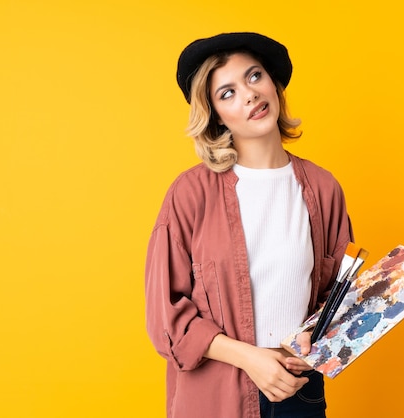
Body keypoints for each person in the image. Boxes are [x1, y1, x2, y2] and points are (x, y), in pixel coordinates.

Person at [145, 32, 353, 418]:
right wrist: (250, 358)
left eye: (254, 76)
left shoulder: (324, 189)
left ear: (273, 83)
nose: (249, 94)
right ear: (215, 115)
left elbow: (337, 298)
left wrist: (315, 340)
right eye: (227, 93)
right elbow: (166, 318)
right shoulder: (190, 194)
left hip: (298, 390)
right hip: (218, 396)